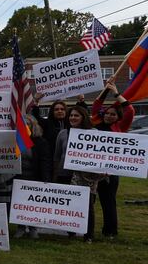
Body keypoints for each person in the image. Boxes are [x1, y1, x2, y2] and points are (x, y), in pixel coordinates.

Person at [54, 106, 105, 242]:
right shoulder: (63, 133)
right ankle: (71, 232)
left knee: (87, 207)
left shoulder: (93, 132)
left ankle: (88, 235)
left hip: (86, 176)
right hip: (65, 174)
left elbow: (101, 155)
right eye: (71, 116)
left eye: (76, 115)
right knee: (69, 205)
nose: (72, 118)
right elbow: (57, 156)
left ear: (83, 117)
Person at [92, 81, 134, 239]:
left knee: (108, 201)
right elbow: (97, 103)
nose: (109, 116)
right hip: (92, 170)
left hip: (110, 173)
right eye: (108, 113)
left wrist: (115, 93)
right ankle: (87, 229)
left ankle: (110, 231)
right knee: (90, 202)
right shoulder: (96, 121)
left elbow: (129, 109)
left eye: (113, 114)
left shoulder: (120, 127)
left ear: (118, 117)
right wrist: (106, 89)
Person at [13, 115, 52, 239]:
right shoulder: (14, 141)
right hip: (17, 178)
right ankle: (20, 227)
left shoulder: (41, 142)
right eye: (22, 125)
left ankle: (33, 228)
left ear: (33, 126)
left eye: (28, 124)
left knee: (33, 205)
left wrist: (46, 179)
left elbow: (45, 161)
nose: (25, 127)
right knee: (19, 204)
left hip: (34, 178)